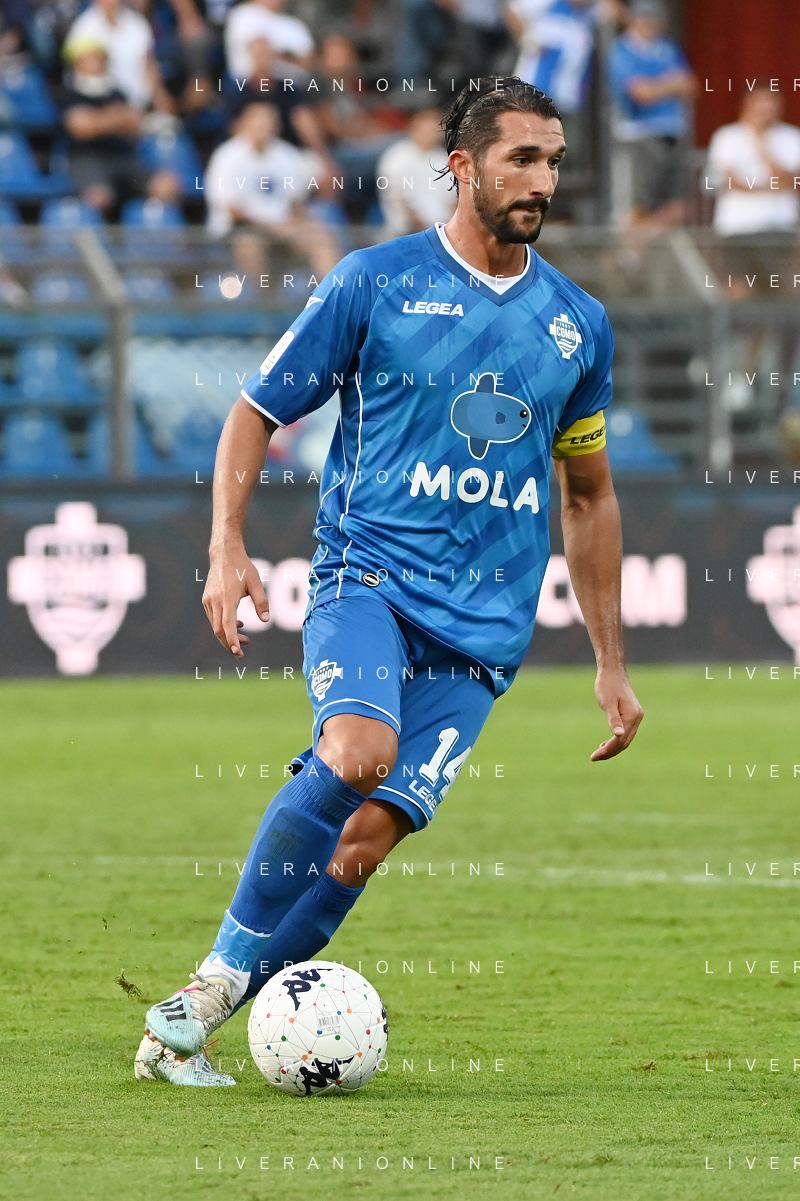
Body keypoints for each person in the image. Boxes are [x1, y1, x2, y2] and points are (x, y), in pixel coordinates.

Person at [134, 76, 643, 1087]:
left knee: (363, 841)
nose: (542, 180)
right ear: (461, 167)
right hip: (367, 576)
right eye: (521, 159)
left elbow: (587, 496)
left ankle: (188, 1022)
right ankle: (218, 981)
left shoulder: (577, 325)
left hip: (483, 634)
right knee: (359, 752)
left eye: (552, 161)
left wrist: (609, 662)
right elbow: (254, 411)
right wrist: (227, 544)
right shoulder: (374, 282)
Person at [203, 101, 339, 277]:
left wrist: (299, 222)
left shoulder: (287, 155)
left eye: (268, 121)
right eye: (257, 121)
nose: (263, 126)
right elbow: (233, 211)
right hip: (241, 229)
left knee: (319, 237)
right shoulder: (227, 156)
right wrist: (272, 227)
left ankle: (332, 293)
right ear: (243, 123)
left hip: (283, 228)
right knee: (249, 245)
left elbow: (296, 202)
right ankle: (260, 295)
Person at [59, 40, 181, 212]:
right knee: (98, 196)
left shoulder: (117, 92)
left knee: (167, 186)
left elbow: (135, 123)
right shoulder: (70, 93)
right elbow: (80, 128)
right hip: (87, 158)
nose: (97, 62)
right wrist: (116, 119)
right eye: (91, 58)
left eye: (100, 58)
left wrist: (97, 120)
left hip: (124, 158)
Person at [705, 82, 800, 296]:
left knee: (780, 290)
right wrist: (770, 186)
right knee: (739, 289)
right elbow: (727, 181)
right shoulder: (727, 137)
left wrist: (762, 144)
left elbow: (789, 179)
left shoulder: (792, 137)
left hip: (779, 228)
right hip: (736, 228)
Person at [607, 0, 696, 228]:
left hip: (673, 131)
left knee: (677, 205)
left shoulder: (667, 49)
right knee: (641, 204)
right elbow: (640, 93)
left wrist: (657, 86)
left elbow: (691, 86)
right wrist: (670, 85)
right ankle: (634, 245)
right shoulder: (622, 51)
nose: (650, 25)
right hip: (641, 135)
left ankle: (644, 239)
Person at [63, 0, 173, 111]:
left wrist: (161, 99)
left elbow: (149, 66)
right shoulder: (83, 28)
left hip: (142, 104)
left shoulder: (137, 23)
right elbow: (81, 80)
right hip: (105, 103)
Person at [376, 106, 455, 236]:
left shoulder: (444, 159)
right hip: (406, 232)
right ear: (414, 128)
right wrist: (426, 228)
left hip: (443, 231)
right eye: (426, 129)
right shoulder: (395, 158)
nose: (431, 134)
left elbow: (451, 201)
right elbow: (397, 201)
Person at [224, 0, 313, 80]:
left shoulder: (294, 24)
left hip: (291, 86)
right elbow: (259, 54)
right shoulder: (244, 14)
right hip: (247, 84)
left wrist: (277, 55)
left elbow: (309, 61)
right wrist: (289, 57)